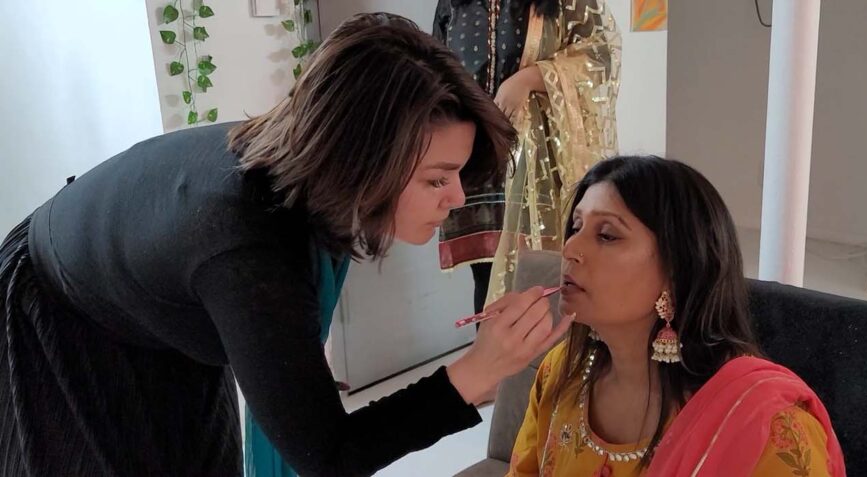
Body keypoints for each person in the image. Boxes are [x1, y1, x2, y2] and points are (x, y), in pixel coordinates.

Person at [0, 13, 573, 477]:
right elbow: (326, 454)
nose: (457, 197)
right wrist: (477, 371)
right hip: (62, 317)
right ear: (361, 162)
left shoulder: (308, 177)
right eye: (436, 178)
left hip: (156, 311)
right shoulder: (247, 249)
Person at [507, 157, 846, 476]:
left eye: (607, 235)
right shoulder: (562, 372)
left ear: (677, 270)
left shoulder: (770, 427)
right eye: (576, 227)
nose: (569, 249)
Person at [432, 0, 621, 315]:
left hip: (539, 166)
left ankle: (551, 349)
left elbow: (601, 56)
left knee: (544, 275)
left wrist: (530, 79)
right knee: (486, 277)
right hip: (476, 164)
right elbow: (434, 70)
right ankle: (493, 347)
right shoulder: (453, 4)